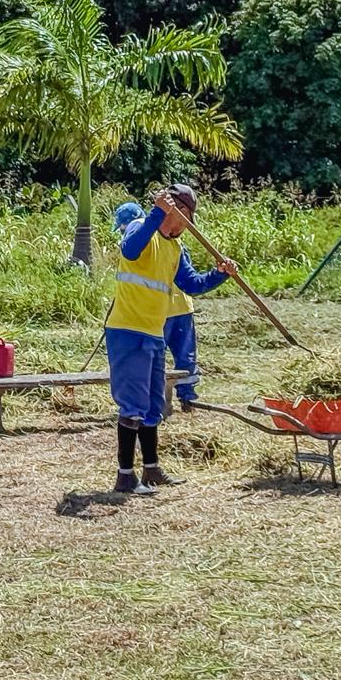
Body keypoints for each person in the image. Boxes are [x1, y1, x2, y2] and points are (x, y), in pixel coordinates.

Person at [107, 185, 237, 495]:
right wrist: (157, 213)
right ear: (176, 211)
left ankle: (151, 470)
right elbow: (130, 251)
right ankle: (125, 476)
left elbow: (191, 284)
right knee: (133, 405)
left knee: (153, 405)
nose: (188, 226)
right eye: (188, 218)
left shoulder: (175, 249)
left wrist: (220, 274)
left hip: (154, 332)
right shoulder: (142, 227)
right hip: (128, 330)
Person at [113, 202, 203, 409]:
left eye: (124, 227)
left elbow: (188, 280)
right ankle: (160, 401)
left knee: (181, 357)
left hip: (168, 310)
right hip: (158, 313)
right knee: (162, 359)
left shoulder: (172, 243)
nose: (124, 232)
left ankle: (185, 396)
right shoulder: (142, 238)